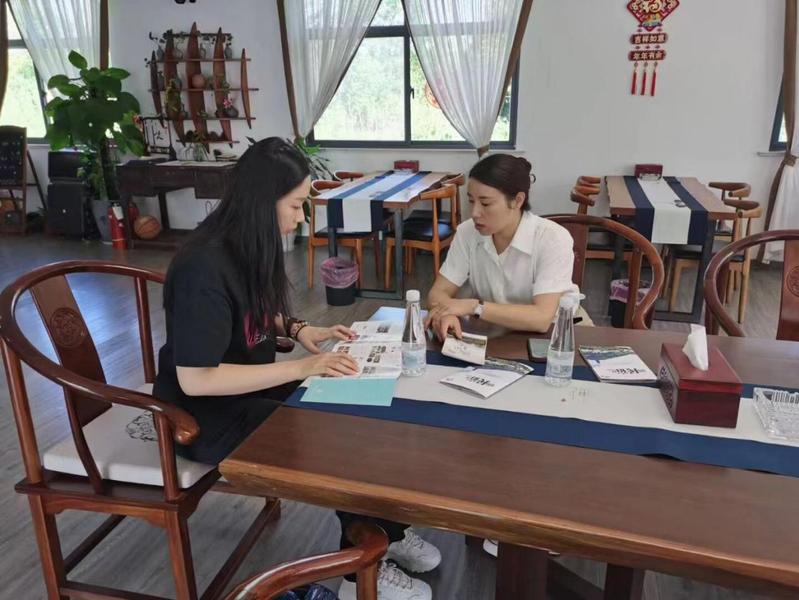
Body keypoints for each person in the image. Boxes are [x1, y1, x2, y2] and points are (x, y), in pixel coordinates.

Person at [152, 137, 437, 600]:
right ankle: (361, 573)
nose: (302, 218)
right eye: (295, 205)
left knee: (360, 412)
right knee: (337, 437)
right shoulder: (202, 267)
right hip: (201, 417)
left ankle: (387, 535)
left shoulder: (243, 243)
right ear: (262, 203)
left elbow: (248, 312)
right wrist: (304, 367)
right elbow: (196, 378)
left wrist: (299, 328)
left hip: (243, 393)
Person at [425, 153, 584, 341]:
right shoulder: (467, 232)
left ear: (517, 200)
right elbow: (438, 293)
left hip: (557, 332)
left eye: (485, 203)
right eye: (471, 201)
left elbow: (541, 318)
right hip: (493, 327)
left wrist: (474, 306)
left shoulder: (552, 238)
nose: (474, 213)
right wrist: (446, 314)